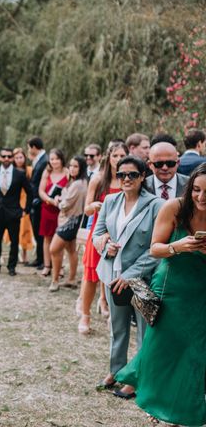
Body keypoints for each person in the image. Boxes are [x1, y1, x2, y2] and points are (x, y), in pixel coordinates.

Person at [115, 164, 206, 426]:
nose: (201, 197)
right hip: (170, 286)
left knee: (194, 350)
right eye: (196, 190)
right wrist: (177, 247)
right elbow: (155, 249)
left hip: (200, 289)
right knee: (163, 348)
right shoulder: (174, 208)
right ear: (189, 189)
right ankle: (154, 402)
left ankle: (187, 409)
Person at [93, 156, 163, 400]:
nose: (126, 179)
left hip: (140, 279)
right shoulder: (110, 201)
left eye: (132, 174)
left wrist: (131, 274)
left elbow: (157, 248)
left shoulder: (156, 205)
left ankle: (138, 378)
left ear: (143, 176)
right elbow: (98, 234)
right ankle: (117, 371)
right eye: (121, 175)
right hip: (112, 275)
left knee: (143, 331)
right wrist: (104, 245)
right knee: (117, 327)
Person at [78, 142, 127, 334]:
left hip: (119, 235)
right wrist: (96, 205)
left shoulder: (129, 178)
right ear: (109, 157)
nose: (119, 159)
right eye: (115, 156)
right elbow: (87, 209)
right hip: (98, 232)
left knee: (114, 276)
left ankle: (112, 313)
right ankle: (85, 315)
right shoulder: (98, 179)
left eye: (123, 155)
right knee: (90, 276)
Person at [0, 147, 32, 276]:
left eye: (9, 156)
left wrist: (26, 210)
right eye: (4, 156)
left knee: (14, 242)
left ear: (12, 158)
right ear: (0, 158)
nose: (6, 159)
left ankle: (12, 266)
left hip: (14, 213)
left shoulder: (20, 174)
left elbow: (30, 192)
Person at [48, 156, 88, 291]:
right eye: (70, 165)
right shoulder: (78, 182)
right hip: (73, 219)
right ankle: (71, 279)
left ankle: (55, 281)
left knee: (54, 249)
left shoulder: (78, 184)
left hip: (70, 221)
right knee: (71, 250)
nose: (71, 168)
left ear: (81, 168)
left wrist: (57, 201)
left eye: (75, 166)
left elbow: (65, 205)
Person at [38, 149, 68, 277]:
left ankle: (60, 267)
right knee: (47, 238)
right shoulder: (47, 172)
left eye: (57, 158)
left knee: (60, 239)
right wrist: (50, 200)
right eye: (52, 159)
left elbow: (70, 189)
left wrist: (62, 199)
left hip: (61, 210)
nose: (54, 161)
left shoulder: (67, 172)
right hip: (47, 208)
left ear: (61, 159)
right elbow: (41, 191)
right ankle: (47, 266)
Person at [9, 148, 34, 263]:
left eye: (21, 157)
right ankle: (13, 252)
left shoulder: (29, 170)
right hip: (14, 200)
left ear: (24, 158)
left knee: (24, 228)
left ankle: (24, 254)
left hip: (25, 200)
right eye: (17, 158)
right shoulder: (10, 171)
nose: (19, 160)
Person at [27, 137, 47, 269]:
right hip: (34, 201)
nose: (28, 150)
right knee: (36, 231)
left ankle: (42, 260)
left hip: (39, 201)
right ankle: (39, 258)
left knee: (40, 232)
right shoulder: (39, 159)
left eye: (29, 147)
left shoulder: (45, 160)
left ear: (34, 147)